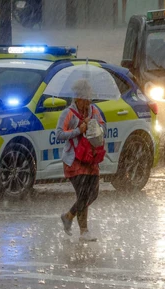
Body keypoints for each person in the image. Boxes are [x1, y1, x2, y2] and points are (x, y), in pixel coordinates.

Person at [56, 79, 106, 242]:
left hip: (91, 158)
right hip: (74, 160)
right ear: (77, 97)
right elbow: (59, 134)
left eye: (90, 97)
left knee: (93, 194)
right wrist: (78, 130)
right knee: (83, 193)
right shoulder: (68, 113)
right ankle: (84, 231)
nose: (89, 100)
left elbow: (102, 127)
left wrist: (91, 125)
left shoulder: (93, 111)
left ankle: (69, 215)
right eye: (85, 97)